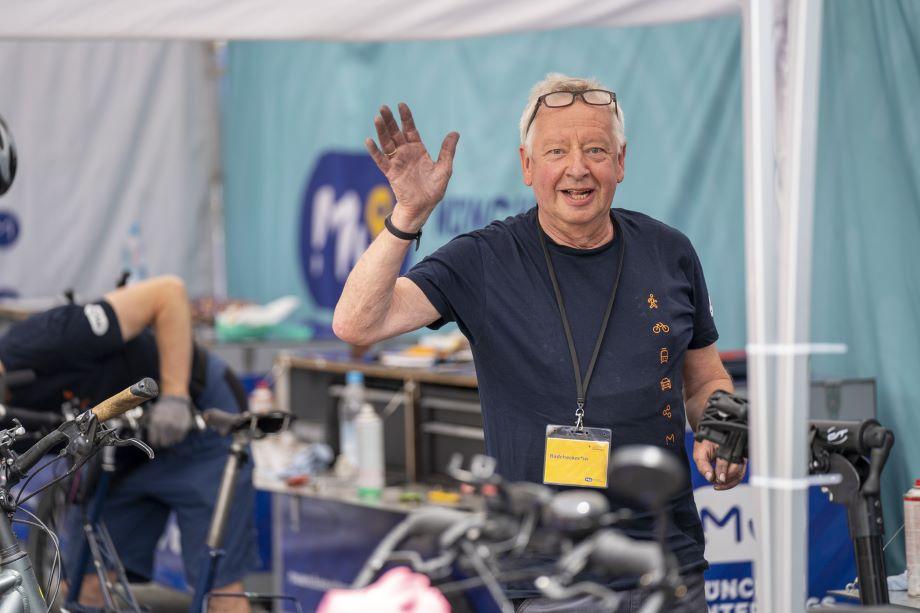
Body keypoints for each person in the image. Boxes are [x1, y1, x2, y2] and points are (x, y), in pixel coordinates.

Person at [333, 73, 745, 612]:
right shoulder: (483, 259)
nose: (578, 168)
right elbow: (356, 324)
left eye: (596, 150)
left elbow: (705, 377)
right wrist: (408, 214)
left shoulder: (670, 252)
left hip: (663, 562)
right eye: (557, 150)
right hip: (537, 569)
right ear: (527, 167)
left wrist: (718, 423)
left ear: (621, 162)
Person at [0, 275, 256, 613]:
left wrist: (175, 396)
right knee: (81, 582)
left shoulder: (46, 338)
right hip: (117, 449)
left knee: (219, 594)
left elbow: (169, 293)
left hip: (199, 421)